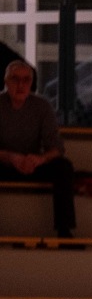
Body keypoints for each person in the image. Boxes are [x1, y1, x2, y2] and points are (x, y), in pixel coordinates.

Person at [0, 59, 75, 238]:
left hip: (32, 164)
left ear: (32, 83)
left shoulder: (42, 106)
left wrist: (39, 159)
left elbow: (57, 147)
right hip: (3, 164)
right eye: (15, 79)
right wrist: (10, 157)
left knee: (63, 167)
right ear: (6, 82)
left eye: (26, 80)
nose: (21, 85)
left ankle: (64, 230)